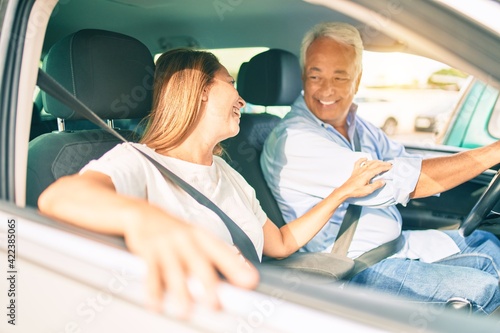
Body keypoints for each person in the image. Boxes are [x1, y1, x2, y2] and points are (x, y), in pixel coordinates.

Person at [38, 48, 391, 318]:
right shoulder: (138, 161)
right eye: (232, 84)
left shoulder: (227, 173)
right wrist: (146, 220)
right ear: (200, 90)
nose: (242, 99)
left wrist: (342, 192)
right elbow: (60, 198)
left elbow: (282, 243)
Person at [260, 22, 500, 315]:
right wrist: (493, 152)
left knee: (488, 244)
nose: (326, 89)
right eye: (315, 76)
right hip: (352, 267)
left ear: (357, 81)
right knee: (485, 289)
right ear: (302, 77)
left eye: (340, 76)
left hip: (395, 246)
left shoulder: (356, 125)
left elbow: (406, 162)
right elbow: (399, 180)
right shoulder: (294, 140)